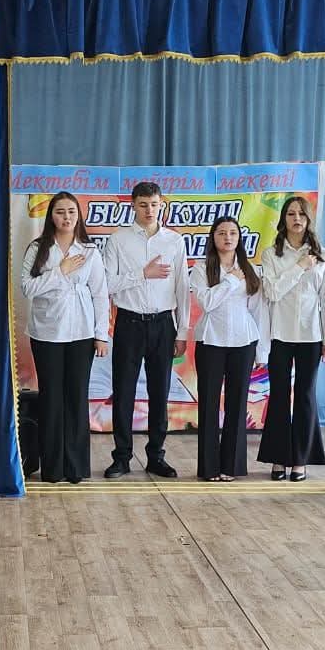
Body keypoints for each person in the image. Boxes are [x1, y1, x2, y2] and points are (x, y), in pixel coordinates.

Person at [101, 181, 189, 478]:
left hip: (163, 324)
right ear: (133, 205)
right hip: (128, 322)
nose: (149, 210)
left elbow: (182, 287)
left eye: (154, 204)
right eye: (143, 205)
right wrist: (142, 274)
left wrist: (183, 331)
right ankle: (122, 457)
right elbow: (107, 284)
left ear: (161, 204)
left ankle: (156, 456)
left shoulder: (174, 241)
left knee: (159, 393)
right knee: (123, 391)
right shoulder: (118, 240)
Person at [21, 191, 109, 483]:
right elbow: (27, 288)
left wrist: (101, 335)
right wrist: (60, 271)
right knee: (52, 397)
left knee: (76, 396)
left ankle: (75, 467)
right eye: (60, 212)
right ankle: (53, 467)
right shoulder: (38, 248)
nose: (67, 217)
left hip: (82, 333)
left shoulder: (90, 250)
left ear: (78, 216)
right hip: (46, 333)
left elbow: (100, 294)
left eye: (71, 211)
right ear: (52, 216)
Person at [257, 195, 325, 481]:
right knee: (279, 396)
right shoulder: (271, 254)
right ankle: (278, 459)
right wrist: (300, 267)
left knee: (305, 396)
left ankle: (300, 461)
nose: (296, 219)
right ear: (283, 219)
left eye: (301, 214)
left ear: (308, 219)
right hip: (279, 335)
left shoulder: (323, 255)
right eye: (291, 214)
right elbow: (272, 292)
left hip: (310, 336)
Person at [189, 216, 264, 481]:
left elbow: (258, 310)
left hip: (244, 342)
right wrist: (230, 280)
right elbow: (207, 302)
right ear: (213, 237)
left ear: (239, 238)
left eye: (233, 233)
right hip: (211, 341)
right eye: (221, 233)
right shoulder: (201, 269)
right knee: (208, 405)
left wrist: (261, 351)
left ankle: (230, 467)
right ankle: (209, 468)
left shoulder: (250, 269)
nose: (228, 237)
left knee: (237, 404)